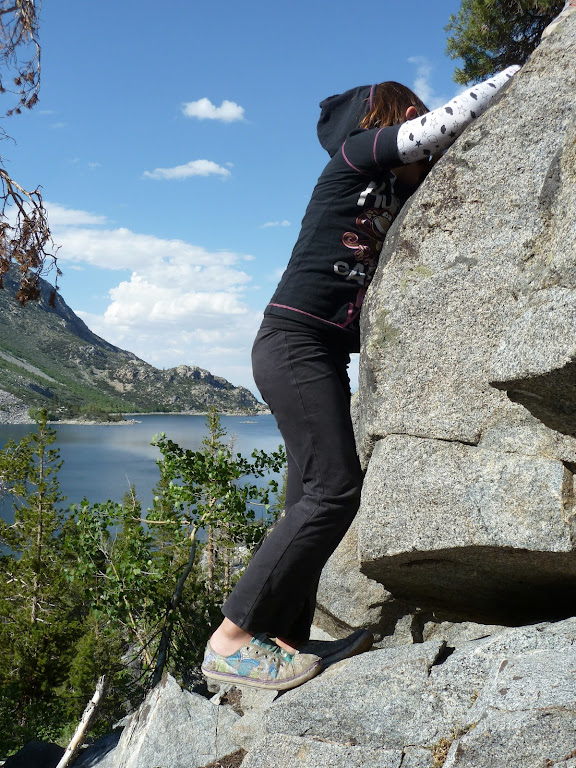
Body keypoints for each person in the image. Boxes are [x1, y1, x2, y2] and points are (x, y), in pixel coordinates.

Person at [202, 65, 520, 691]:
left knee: (307, 496)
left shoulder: (389, 192)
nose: (423, 141)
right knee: (334, 490)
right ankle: (231, 639)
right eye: (411, 119)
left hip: (320, 354)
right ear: (388, 121)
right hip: (293, 343)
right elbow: (439, 127)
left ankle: (283, 639)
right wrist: (521, 69)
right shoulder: (354, 155)